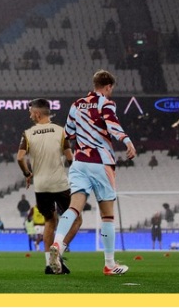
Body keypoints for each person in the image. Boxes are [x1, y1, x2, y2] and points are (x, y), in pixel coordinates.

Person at [47, 69, 136, 277]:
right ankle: (109, 264)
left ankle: (58, 244)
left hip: (79, 162)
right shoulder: (105, 103)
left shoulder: (76, 105)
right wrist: (127, 141)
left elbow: (68, 134)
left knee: (74, 208)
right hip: (101, 162)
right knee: (107, 215)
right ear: (108, 87)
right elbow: (113, 126)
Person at [16, 97, 78, 274]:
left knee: (50, 221)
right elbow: (70, 158)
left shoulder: (28, 134)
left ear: (36, 114)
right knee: (77, 219)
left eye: (30, 113)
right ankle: (58, 251)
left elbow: (20, 157)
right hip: (60, 183)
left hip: (41, 186)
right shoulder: (60, 131)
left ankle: (49, 264)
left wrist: (28, 174)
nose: (29, 116)